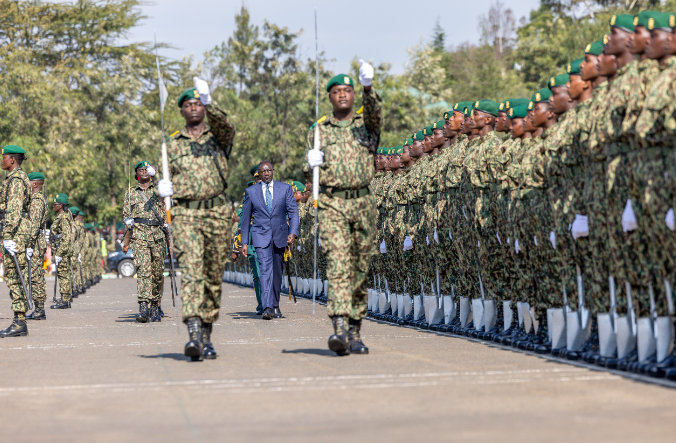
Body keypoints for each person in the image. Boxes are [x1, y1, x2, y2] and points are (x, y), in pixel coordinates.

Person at [306, 60, 382, 355]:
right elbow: (308, 171)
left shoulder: (367, 125)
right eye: (336, 91)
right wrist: (310, 162)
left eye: (347, 91)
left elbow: (375, 111)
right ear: (330, 97)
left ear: (353, 95)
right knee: (338, 266)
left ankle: (355, 329)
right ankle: (339, 327)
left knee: (360, 270)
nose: (342, 95)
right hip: (333, 203)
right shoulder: (319, 130)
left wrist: (368, 87)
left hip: (363, 202)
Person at [158, 78, 235, 361]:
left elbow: (227, 127)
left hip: (216, 212)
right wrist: (163, 187)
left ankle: (206, 333)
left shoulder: (219, 139)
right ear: (182, 111)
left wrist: (208, 99)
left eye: (197, 104)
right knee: (192, 272)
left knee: (213, 277)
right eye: (188, 105)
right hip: (186, 213)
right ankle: (192, 332)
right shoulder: (172, 145)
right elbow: (166, 176)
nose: (193, 108)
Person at [239, 160, 299, 320]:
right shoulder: (251, 191)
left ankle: (275, 304)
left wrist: (293, 232)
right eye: (263, 172)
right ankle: (267, 307)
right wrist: (244, 242)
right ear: (259, 174)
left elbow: (293, 211)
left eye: (269, 171)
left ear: (273, 172)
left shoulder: (284, 188)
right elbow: (245, 219)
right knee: (265, 270)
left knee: (277, 273)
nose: (266, 174)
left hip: (280, 236)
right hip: (260, 237)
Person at [123, 161, 167, 323]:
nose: (144, 172)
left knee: (157, 273)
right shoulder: (130, 193)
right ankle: (143, 307)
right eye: (141, 170)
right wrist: (126, 241)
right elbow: (127, 218)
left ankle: (155, 306)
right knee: (143, 271)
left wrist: (158, 172)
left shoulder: (159, 190)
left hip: (158, 235)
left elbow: (169, 187)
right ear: (136, 174)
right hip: (140, 235)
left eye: (146, 170)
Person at [0, 145, 32, 336]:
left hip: (15, 232)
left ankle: (20, 322)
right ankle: (19, 320)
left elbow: (13, 209)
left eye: (4, 157)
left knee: (15, 276)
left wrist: (7, 235)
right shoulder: (12, 179)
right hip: (15, 231)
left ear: (12, 160)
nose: (1, 160)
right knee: (13, 276)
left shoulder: (17, 180)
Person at [25, 172, 48, 321]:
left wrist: (29, 245)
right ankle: (39, 308)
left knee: (35, 277)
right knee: (35, 276)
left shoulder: (36, 200)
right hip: (36, 242)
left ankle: (39, 309)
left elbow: (33, 226)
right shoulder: (35, 199)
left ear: (34, 184)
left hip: (35, 243)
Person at [50, 193, 73, 310]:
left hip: (62, 250)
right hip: (59, 249)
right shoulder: (60, 217)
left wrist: (59, 253)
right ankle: (65, 299)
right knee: (63, 274)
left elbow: (67, 237)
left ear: (61, 205)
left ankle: (65, 300)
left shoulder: (63, 218)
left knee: (63, 275)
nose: (53, 206)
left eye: (56, 204)